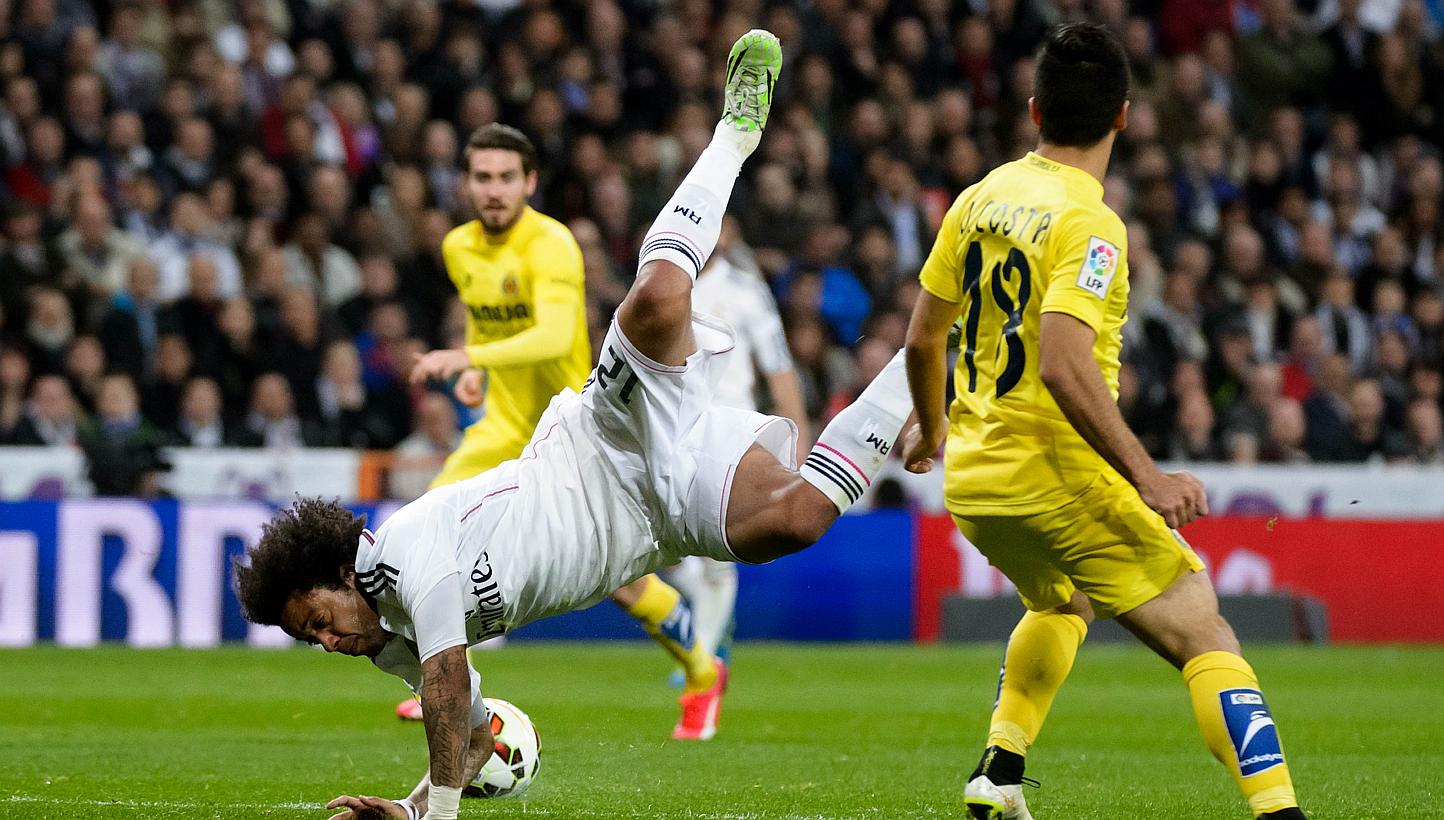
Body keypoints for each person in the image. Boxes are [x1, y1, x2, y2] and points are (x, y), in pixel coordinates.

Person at [237, 32, 916, 819]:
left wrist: (439, 817)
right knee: (798, 521)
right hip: (651, 524)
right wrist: (412, 805)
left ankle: (734, 134)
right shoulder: (388, 640)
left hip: (604, 438)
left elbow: (448, 682)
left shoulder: (409, 552)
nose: (327, 643)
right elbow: (475, 730)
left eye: (319, 621)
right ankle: (925, 357)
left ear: (343, 572)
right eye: (311, 639)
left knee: (658, 298)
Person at [902, 24, 1305, 820]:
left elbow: (922, 337)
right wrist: (1147, 476)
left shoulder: (978, 197)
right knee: (1204, 633)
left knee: (1063, 604)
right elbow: (1062, 362)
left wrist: (932, 424)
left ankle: (998, 772)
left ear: (1034, 109)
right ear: (1123, 115)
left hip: (976, 482)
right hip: (1057, 475)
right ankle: (1281, 812)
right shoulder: (1092, 226)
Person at [399, 122, 719, 735]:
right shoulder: (459, 247)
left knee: (620, 583)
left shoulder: (552, 246)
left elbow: (550, 336)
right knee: (428, 534)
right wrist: (477, 371)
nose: (494, 190)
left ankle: (703, 673)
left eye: (506, 178)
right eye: (482, 178)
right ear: (467, 184)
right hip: (502, 425)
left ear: (530, 183)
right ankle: (446, 683)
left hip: (570, 431)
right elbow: (487, 322)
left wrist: (467, 358)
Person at [663, 217, 811, 671]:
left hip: (729, 431)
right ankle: (711, 621)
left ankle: (705, 659)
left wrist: (799, 436)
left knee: (713, 548)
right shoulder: (663, 279)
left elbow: (778, 365)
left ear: (726, 233)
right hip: (673, 428)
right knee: (662, 545)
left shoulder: (745, 291)